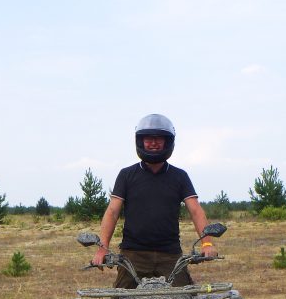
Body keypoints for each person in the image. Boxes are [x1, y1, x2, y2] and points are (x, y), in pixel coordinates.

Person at [91, 113, 218, 288]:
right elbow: (112, 212)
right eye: (148, 138)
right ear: (140, 141)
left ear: (168, 142)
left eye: (159, 138)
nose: (153, 142)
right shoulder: (126, 175)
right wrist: (102, 248)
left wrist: (207, 243)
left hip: (170, 255)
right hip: (133, 255)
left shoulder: (180, 176)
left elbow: (195, 210)